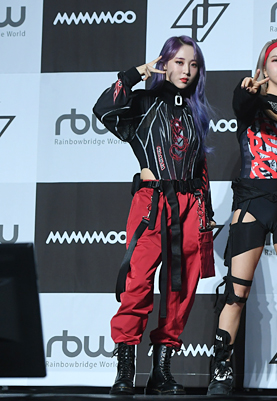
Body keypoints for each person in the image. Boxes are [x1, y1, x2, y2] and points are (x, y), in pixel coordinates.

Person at [93, 35, 215, 396]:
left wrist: (206, 211)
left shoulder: (197, 111)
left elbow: (200, 167)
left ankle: (161, 373)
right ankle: (125, 372)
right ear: (164, 63)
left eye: (193, 64)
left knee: (182, 289)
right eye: (179, 62)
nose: (186, 70)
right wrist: (136, 73)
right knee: (137, 284)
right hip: (152, 203)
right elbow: (103, 108)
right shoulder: (143, 103)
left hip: (191, 205)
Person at [206, 37, 277, 397]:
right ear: (263, 68)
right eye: (276, 59)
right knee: (236, 290)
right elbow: (240, 102)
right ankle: (221, 371)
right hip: (251, 202)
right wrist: (247, 89)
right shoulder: (250, 104)